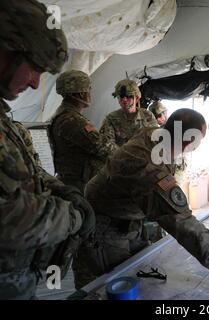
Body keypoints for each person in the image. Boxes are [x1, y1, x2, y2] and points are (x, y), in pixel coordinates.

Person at [79, 108, 209, 293]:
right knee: (116, 285)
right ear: (189, 141)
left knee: (141, 275)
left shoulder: (157, 135)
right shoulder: (149, 169)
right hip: (104, 229)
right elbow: (183, 223)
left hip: (127, 219)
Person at [0, 0, 94, 299]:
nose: (35, 83)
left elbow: (26, 170)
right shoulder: (70, 121)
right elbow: (8, 219)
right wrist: (73, 216)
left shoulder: (6, 122)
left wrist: (60, 189)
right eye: (35, 68)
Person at [49, 70, 109, 193]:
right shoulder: (73, 120)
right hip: (81, 185)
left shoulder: (64, 115)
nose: (89, 93)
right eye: (88, 90)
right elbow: (103, 147)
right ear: (81, 93)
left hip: (74, 181)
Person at [99, 79, 158, 154]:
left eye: (129, 96)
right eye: (121, 96)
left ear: (136, 98)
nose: (124, 99)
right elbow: (106, 144)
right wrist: (127, 155)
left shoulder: (147, 116)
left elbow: (154, 140)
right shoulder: (111, 119)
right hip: (120, 161)